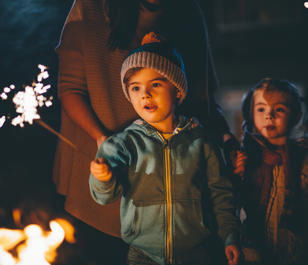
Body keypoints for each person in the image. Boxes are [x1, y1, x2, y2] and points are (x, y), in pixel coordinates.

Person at [53, 0, 236, 239]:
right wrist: (103, 141)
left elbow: (203, 97)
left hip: (177, 196)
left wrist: (225, 138)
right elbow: (70, 88)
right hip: (107, 179)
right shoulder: (92, 8)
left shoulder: (187, 11)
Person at [89, 32, 240, 265]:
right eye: (135, 88)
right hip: (143, 256)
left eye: (156, 84)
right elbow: (103, 196)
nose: (145, 94)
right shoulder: (124, 144)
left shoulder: (201, 142)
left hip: (198, 253)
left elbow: (221, 193)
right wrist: (103, 177)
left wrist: (230, 236)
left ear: (178, 90)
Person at [233, 78, 308, 265]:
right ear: (251, 115)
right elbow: (232, 204)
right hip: (255, 251)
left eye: (279, 109)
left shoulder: (303, 159)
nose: (269, 116)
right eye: (261, 109)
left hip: (295, 251)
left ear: (296, 116)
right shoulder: (246, 158)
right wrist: (236, 175)